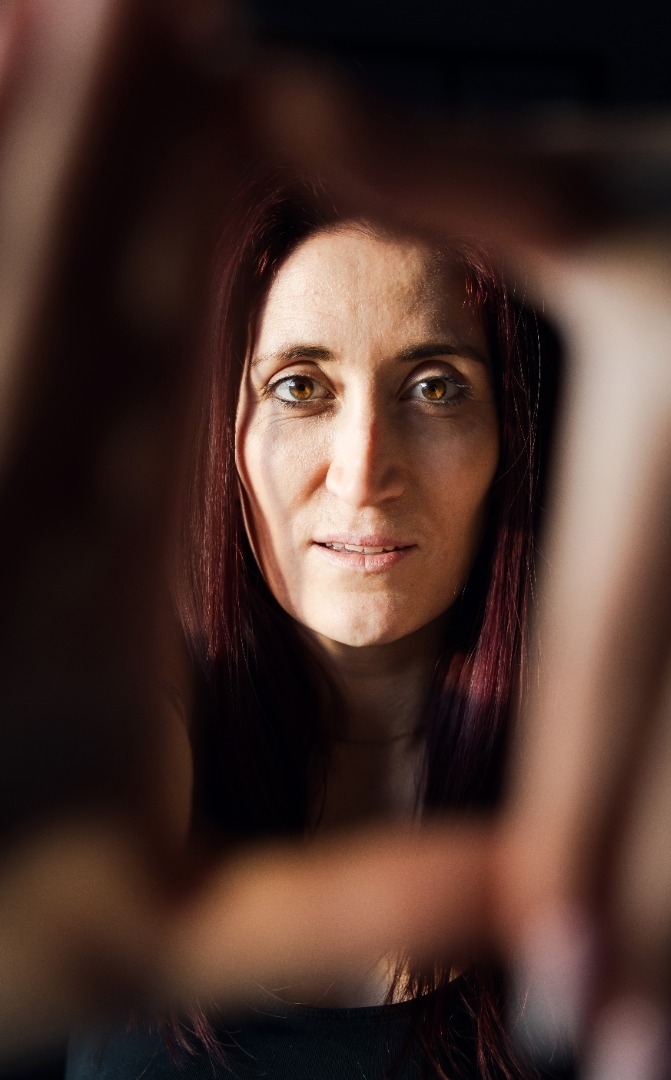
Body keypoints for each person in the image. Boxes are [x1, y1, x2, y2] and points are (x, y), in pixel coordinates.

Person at [65, 169, 556, 1079]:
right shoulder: (133, 746)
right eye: (299, 386)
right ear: (222, 438)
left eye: (435, 387)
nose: (363, 471)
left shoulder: (619, 807)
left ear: (511, 438)